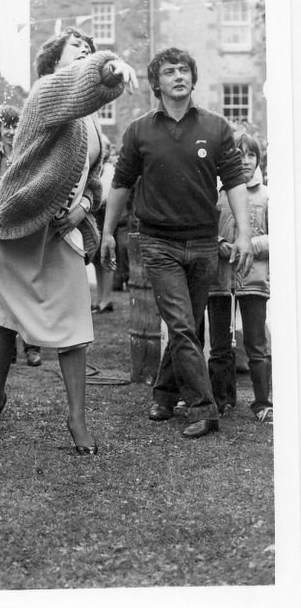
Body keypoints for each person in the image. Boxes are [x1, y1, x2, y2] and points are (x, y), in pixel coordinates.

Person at [0, 26, 137, 454]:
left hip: (62, 232)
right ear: (53, 62)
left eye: (91, 49)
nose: (86, 53)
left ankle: (76, 417)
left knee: (75, 326)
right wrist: (106, 65)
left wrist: (86, 204)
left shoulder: (91, 121)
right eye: (78, 50)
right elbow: (79, 83)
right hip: (20, 225)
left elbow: (97, 173)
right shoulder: (46, 92)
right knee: (2, 318)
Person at [101, 47, 253, 439]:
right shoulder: (138, 131)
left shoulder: (217, 128)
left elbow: (235, 183)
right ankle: (204, 408)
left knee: (186, 326)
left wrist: (246, 234)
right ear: (157, 83)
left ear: (193, 78)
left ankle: (165, 395)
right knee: (184, 326)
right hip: (159, 244)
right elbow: (120, 185)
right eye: (169, 71)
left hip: (203, 243)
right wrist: (105, 232)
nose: (179, 76)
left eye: (184, 70)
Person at [207, 132, 272, 422]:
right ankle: (223, 401)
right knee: (220, 345)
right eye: (239, 154)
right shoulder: (215, 193)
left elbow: (281, 237)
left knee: (256, 346)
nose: (245, 161)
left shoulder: (268, 195)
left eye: (251, 155)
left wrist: (251, 245)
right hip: (219, 282)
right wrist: (220, 242)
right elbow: (205, 228)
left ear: (259, 159)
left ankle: (262, 403)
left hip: (254, 282)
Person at [0, 103, 42, 367]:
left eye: (16, 126)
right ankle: (9, 349)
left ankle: (32, 346)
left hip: (25, 229)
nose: (11, 131)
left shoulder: (29, 156)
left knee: (26, 288)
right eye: (7, 126)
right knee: (4, 291)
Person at [91, 135, 116, 314]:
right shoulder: (95, 169)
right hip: (95, 216)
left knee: (106, 259)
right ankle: (99, 297)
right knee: (97, 261)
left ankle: (107, 299)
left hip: (104, 215)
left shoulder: (109, 170)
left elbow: (105, 194)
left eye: (106, 148)